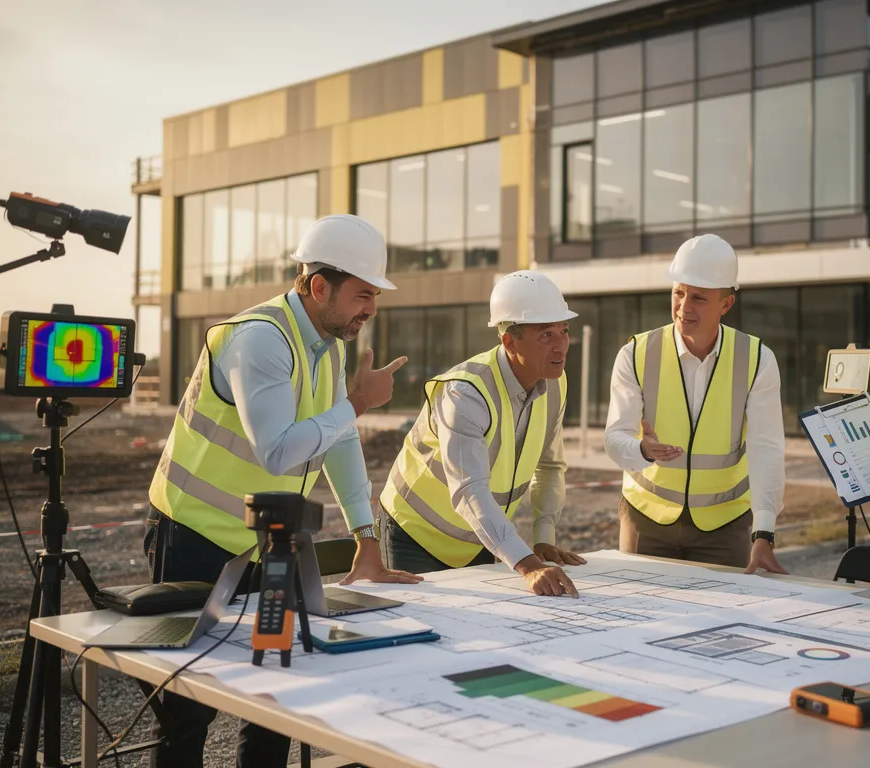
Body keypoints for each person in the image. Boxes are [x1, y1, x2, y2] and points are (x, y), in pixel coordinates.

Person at [145, 214, 422, 768]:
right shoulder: (260, 339)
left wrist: (366, 537)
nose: (371, 310)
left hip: (272, 547)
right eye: (363, 295)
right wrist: (359, 403)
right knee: (187, 712)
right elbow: (277, 449)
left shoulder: (329, 343)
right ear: (319, 285)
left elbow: (337, 440)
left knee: (274, 697)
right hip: (195, 539)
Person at [379, 270, 587, 596]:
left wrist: (543, 536)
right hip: (413, 534)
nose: (561, 345)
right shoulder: (466, 393)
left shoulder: (556, 383)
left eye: (564, 331)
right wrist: (527, 565)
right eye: (545, 335)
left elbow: (550, 467)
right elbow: (469, 491)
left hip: (478, 535)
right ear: (509, 340)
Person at [603, 234, 788, 575]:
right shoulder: (636, 353)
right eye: (679, 293)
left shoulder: (757, 359)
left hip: (725, 526)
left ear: (726, 304)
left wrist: (764, 531)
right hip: (646, 519)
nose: (684, 307)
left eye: (699, 298)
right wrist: (642, 450)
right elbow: (614, 439)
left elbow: (767, 449)